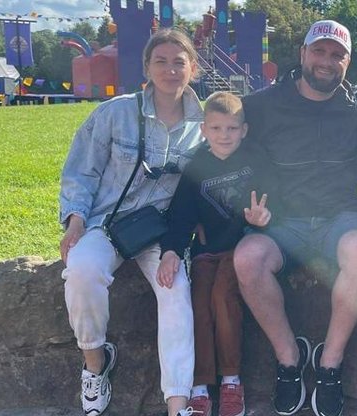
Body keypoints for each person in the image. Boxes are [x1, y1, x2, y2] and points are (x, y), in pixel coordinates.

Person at [58, 28, 204, 416]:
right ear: (146, 67)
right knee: (83, 270)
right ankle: (96, 364)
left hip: (158, 232)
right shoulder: (115, 112)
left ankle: (178, 404)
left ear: (192, 68)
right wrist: (74, 221)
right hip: (106, 223)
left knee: (176, 296)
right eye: (161, 61)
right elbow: (82, 171)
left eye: (179, 62)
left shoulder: (202, 126)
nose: (170, 70)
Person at [235, 20, 357, 416]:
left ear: (347, 62)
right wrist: (244, 205)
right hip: (282, 222)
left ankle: (329, 363)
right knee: (247, 259)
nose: (327, 62)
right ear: (302, 54)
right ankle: (289, 359)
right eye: (319, 51)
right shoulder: (262, 105)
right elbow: (224, 149)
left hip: (341, 218)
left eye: (337, 55)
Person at [157, 91, 272, 416]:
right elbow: (180, 216)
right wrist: (171, 252)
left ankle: (232, 381)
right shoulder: (197, 167)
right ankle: (200, 385)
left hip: (241, 250)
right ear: (204, 130)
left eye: (232, 129)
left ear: (244, 130)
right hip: (207, 252)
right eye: (217, 129)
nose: (225, 136)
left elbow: (272, 201)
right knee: (198, 305)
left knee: (224, 298)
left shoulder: (256, 160)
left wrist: (264, 218)